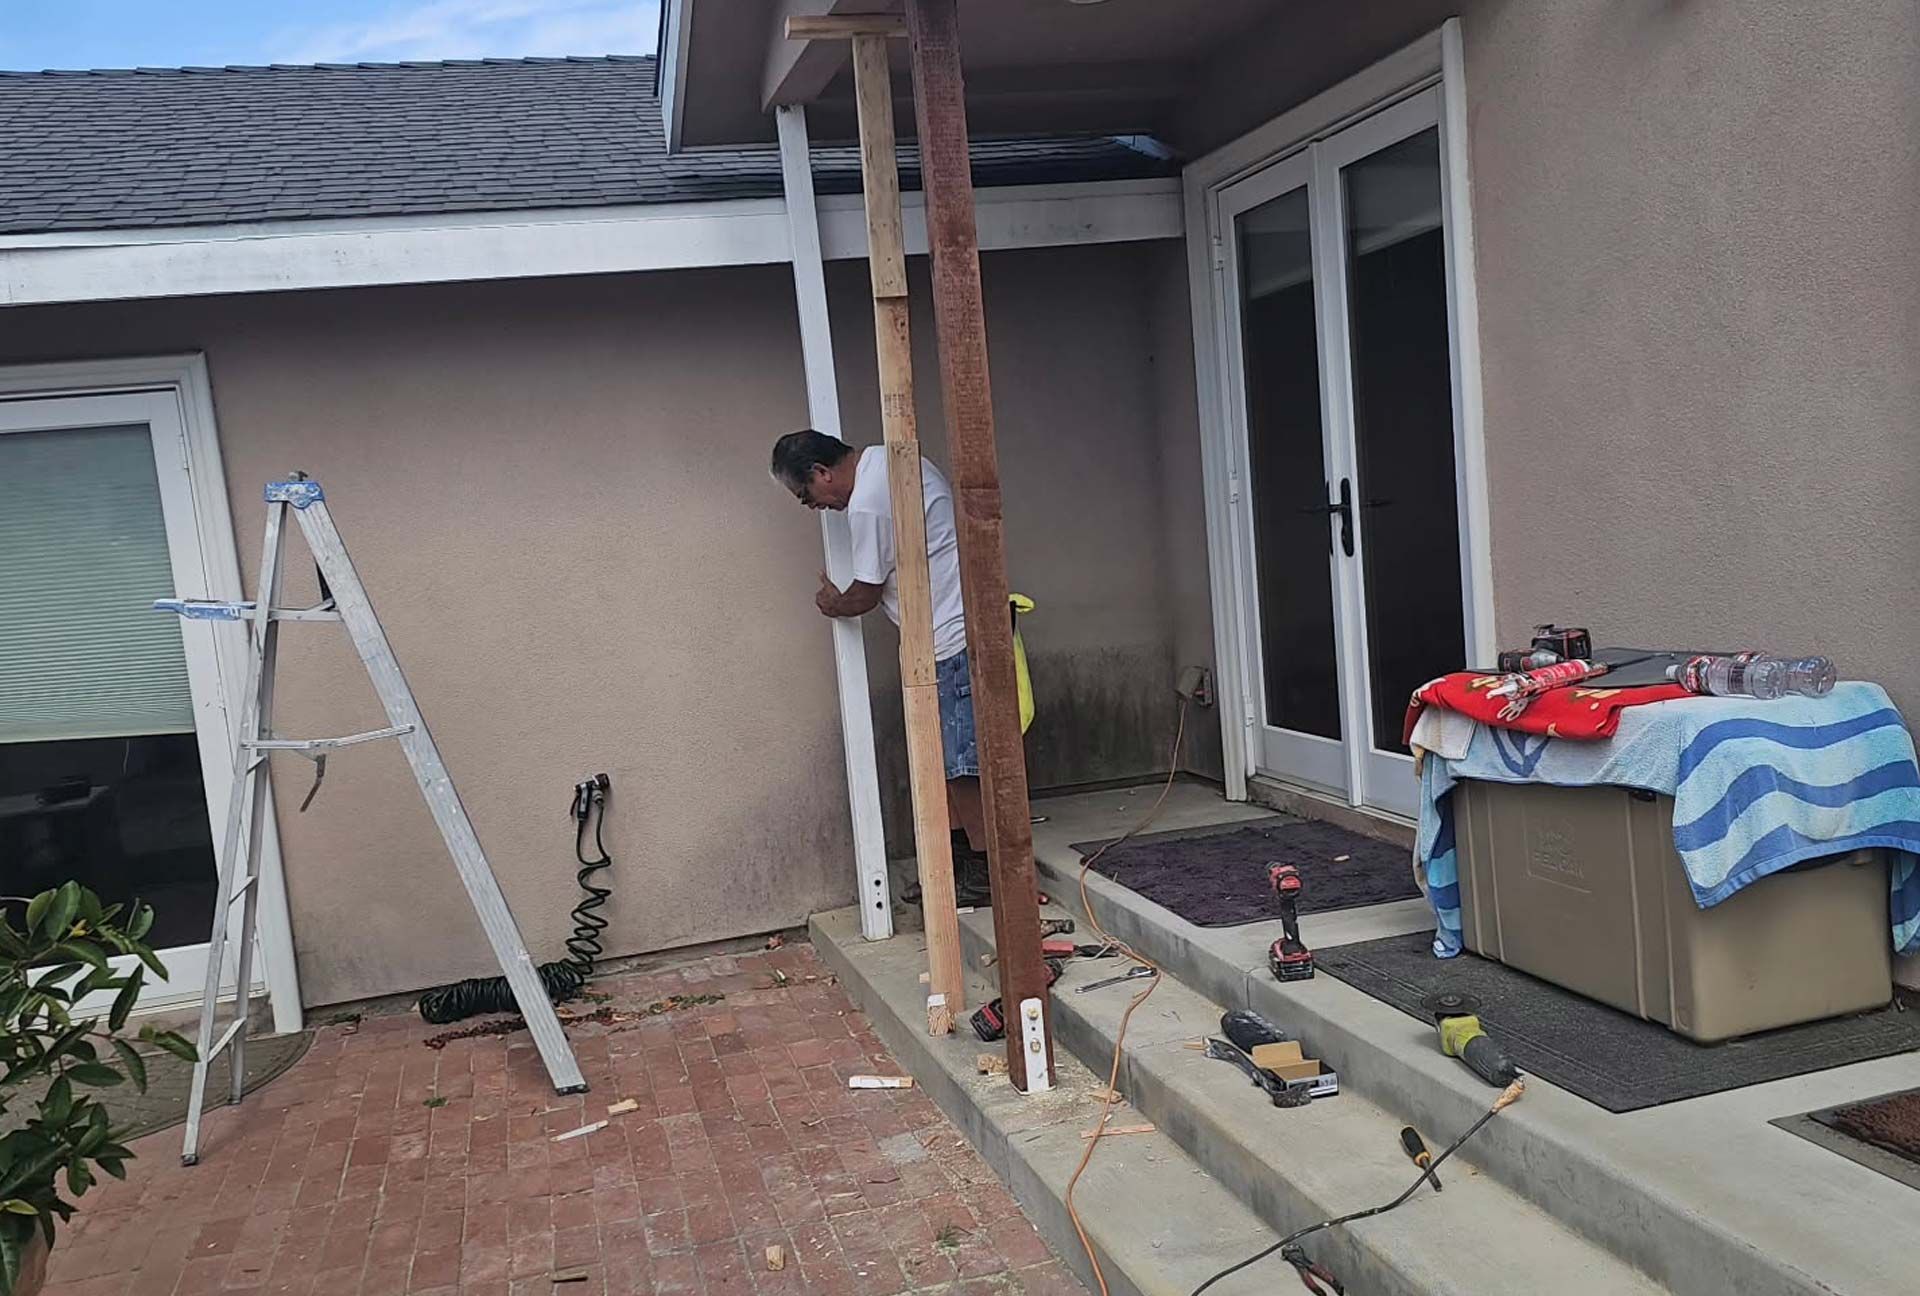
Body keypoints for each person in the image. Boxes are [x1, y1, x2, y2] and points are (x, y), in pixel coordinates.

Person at [771, 429, 991, 906]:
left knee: (958, 766)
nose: (812, 507)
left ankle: (987, 870)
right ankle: (957, 867)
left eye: (805, 496)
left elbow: (865, 592)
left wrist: (834, 603)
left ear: (821, 474)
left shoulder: (869, 500)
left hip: (949, 636)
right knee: (940, 762)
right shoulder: (890, 463)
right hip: (944, 634)